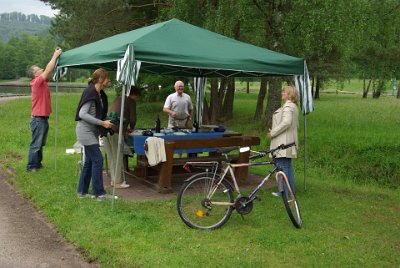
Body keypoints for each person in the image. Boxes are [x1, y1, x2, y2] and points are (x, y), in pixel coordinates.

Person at [75, 68, 115, 200]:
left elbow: (98, 113)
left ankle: (82, 192)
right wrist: (101, 123)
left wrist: (105, 122)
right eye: (107, 78)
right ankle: (100, 193)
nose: (108, 80)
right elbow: (82, 114)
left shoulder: (99, 94)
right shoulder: (90, 92)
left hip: (91, 131)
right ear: (101, 79)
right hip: (85, 131)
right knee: (98, 159)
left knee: (90, 161)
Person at [26, 48, 62, 172]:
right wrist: (55, 55)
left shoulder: (43, 81)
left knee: (40, 143)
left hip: (42, 118)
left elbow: (49, 71)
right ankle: (31, 167)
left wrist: (56, 59)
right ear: (35, 74)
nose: (41, 69)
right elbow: (47, 70)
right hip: (38, 119)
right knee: (36, 144)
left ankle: (37, 164)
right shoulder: (36, 82)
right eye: (38, 69)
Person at [103, 86, 141, 189]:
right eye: (137, 97)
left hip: (105, 130)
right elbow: (133, 119)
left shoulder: (118, 98)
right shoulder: (131, 101)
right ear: (135, 95)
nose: (137, 99)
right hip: (115, 131)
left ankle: (113, 180)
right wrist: (132, 128)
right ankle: (118, 182)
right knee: (118, 156)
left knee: (111, 156)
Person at [267, 85, 299, 195]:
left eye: (284, 92)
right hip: (287, 141)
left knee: (282, 167)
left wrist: (273, 132)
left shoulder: (288, 107)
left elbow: (286, 122)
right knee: (287, 166)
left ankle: (283, 192)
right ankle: (289, 191)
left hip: (283, 142)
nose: (282, 93)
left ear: (289, 94)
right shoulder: (292, 106)